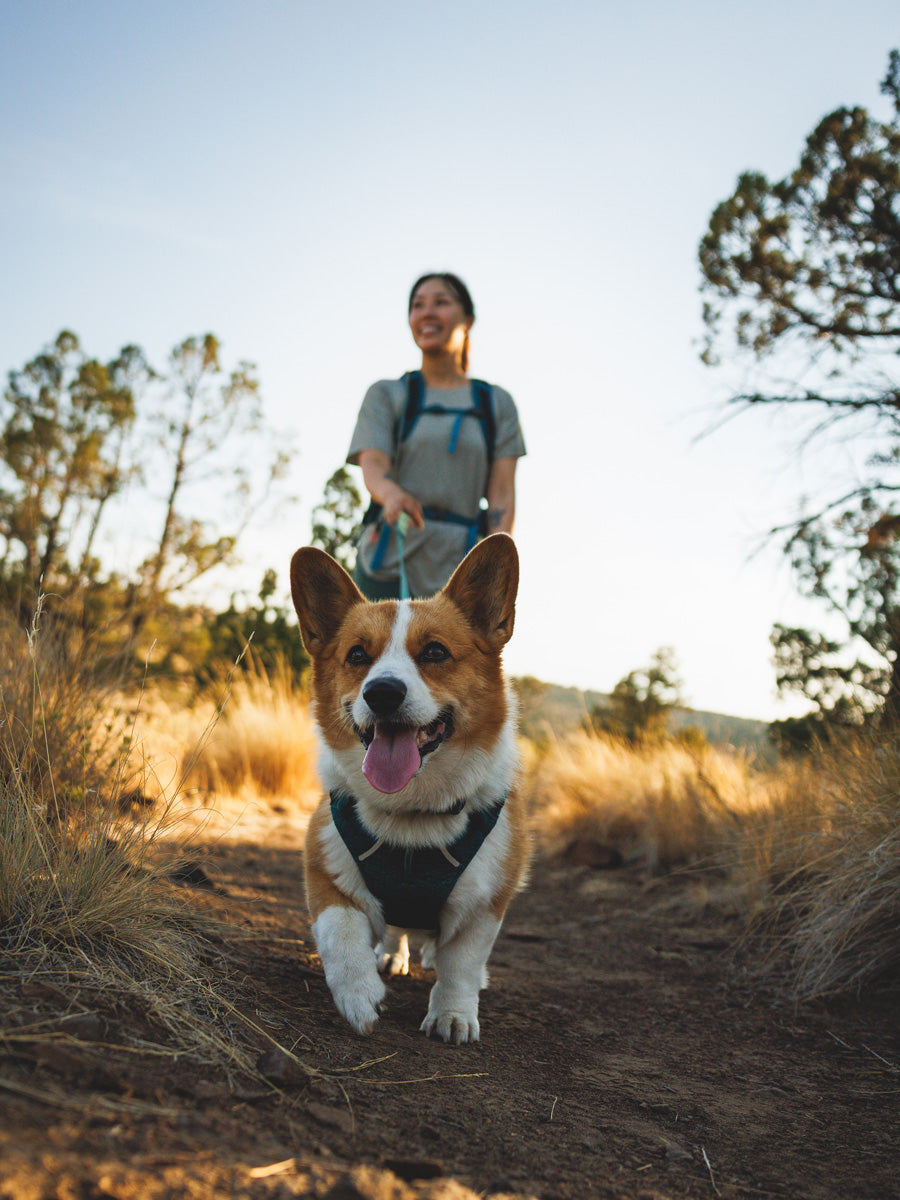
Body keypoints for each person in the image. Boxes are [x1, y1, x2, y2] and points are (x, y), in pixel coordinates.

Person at [347, 272, 526, 599]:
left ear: (468, 319)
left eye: (441, 302)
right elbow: (373, 463)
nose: (426, 313)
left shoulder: (496, 404)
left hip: (459, 571)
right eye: (417, 305)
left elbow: (502, 496)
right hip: (389, 560)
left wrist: (496, 570)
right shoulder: (387, 394)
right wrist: (390, 494)